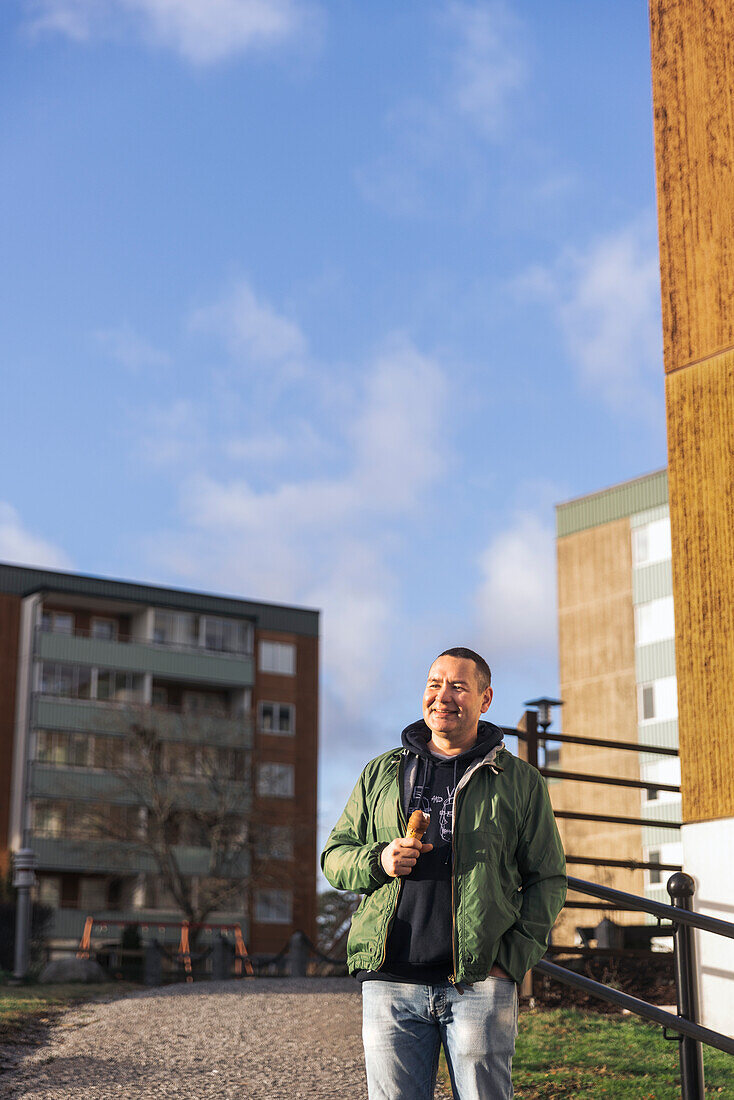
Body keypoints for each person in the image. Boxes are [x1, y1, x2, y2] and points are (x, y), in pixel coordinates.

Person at [321, 647, 566, 1100]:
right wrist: (379, 860)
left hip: (478, 981)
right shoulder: (382, 773)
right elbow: (334, 857)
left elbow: (547, 879)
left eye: (458, 686)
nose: (442, 696)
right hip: (390, 979)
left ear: (485, 698)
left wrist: (508, 962)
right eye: (434, 684)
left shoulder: (519, 780)